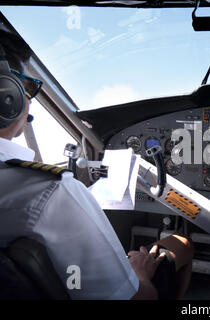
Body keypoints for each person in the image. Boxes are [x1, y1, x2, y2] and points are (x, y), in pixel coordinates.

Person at [0, 29, 193, 300]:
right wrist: (138, 273)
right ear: (8, 95)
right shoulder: (48, 192)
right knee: (182, 243)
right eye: (26, 86)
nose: (29, 99)